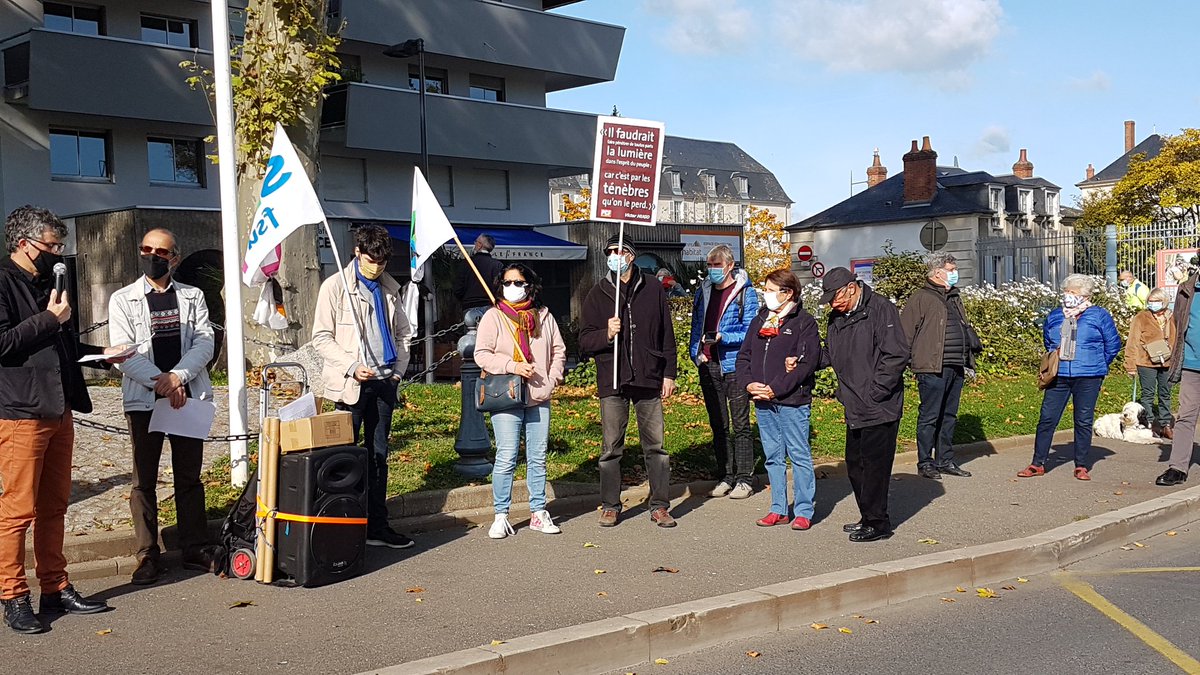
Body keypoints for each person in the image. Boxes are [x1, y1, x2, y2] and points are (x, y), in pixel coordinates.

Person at [0, 206, 126, 634]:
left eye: (60, 246)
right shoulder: (1, 282)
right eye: (51, 246)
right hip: (20, 412)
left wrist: (104, 355)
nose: (57, 254)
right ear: (24, 244)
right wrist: (48, 319)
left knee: (54, 506)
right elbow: (4, 344)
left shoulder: (48, 284)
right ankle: (13, 594)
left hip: (60, 408)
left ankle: (54, 586)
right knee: (17, 510)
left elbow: (62, 344)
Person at [108, 228, 215, 585]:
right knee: (144, 479)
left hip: (185, 396)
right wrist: (162, 381)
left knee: (189, 476)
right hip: (144, 399)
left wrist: (179, 378)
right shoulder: (123, 299)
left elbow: (204, 342)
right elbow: (123, 352)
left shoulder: (193, 296)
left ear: (175, 258)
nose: (152, 256)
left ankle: (194, 546)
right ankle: (147, 554)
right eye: (146, 249)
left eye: (160, 251)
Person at [312, 224, 414, 548]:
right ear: (357, 253)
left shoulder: (389, 288)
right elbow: (320, 337)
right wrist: (352, 366)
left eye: (383, 262)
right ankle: (344, 525)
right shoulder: (335, 287)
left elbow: (403, 334)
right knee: (345, 459)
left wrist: (398, 372)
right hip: (350, 386)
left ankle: (377, 526)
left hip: (385, 382)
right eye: (371, 260)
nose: (377, 267)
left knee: (378, 456)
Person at [579, 235, 678, 528]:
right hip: (613, 379)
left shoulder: (653, 289)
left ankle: (659, 505)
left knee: (656, 447)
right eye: (610, 251)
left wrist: (669, 373)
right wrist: (606, 334)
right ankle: (610, 505)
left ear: (631, 255)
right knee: (611, 448)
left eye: (620, 251)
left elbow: (666, 334)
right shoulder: (597, 293)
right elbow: (584, 341)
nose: (615, 255)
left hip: (648, 377)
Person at [474, 263, 567, 539]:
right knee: (506, 456)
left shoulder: (544, 316)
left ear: (530, 285)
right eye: (507, 282)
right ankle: (501, 514)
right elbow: (482, 354)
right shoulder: (494, 316)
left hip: (538, 395)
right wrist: (512, 365)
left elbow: (558, 350)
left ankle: (538, 511)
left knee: (538, 458)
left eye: (518, 282)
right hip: (506, 396)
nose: (512, 287)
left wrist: (552, 379)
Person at [820, 267, 909, 542]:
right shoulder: (837, 318)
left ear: (850, 287)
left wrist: (876, 390)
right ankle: (867, 515)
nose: (833, 304)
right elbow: (831, 353)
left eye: (835, 298)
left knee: (875, 467)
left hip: (879, 403)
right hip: (853, 401)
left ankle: (878, 522)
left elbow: (896, 354)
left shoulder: (881, 309)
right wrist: (804, 360)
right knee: (855, 464)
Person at [736, 270, 820, 529]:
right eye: (766, 289)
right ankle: (778, 508)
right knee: (773, 456)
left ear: (789, 293)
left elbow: (806, 365)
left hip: (792, 400)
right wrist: (749, 384)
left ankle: (804, 510)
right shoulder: (761, 318)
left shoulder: (804, 322)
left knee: (799, 455)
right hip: (762, 400)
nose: (767, 294)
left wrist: (774, 389)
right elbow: (744, 356)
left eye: (773, 290)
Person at [1018, 274, 1121, 481]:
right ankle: (1037, 463)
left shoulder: (1099, 315)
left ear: (1085, 295)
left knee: (1083, 420)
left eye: (1073, 292)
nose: (1068, 296)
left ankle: (1081, 465)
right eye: (1066, 291)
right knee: (1047, 418)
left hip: (1089, 376)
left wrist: (1099, 364)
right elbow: (1048, 340)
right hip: (1059, 375)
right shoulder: (1056, 315)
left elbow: (1113, 344)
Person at [688, 245, 759, 499]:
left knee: (740, 424)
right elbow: (697, 324)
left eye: (717, 265)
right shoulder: (703, 291)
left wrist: (723, 337)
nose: (712, 270)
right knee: (719, 424)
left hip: (734, 364)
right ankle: (725, 476)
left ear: (730, 266)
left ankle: (744, 478)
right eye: (709, 265)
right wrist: (695, 353)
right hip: (709, 364)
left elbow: (751, 331)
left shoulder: (745, 293)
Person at [900, 252, 977, 480]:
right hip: (931, 367)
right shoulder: (921, 298)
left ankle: (945, 460)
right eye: (951, 270)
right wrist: (907, 363)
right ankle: (925, 462)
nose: (955, 274)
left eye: (954, 269)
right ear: (937, 272)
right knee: (930, 416)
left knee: (949, 416)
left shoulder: (954, 297)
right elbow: (906, 333)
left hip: (956, 365)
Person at [1160, 267, 1200, 486]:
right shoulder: (1186, 289)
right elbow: (1178, 322)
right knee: (1186, 416)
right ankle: (1177, 467)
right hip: (1192, 363)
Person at [1125, 287, 1176, 439]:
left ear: (1164, 301)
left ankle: (1165, 424)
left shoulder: (1172, 317)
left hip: (1167, 362)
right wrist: (1130, 365)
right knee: (1147, 394)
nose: (1152, 304)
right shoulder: (1141, 317)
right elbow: (1132, 342)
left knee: (1165, 393)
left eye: (1156, 301)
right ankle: (1150, 423)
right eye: (1150, 301)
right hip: (1145, 361)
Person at [453, 234, 505, 321]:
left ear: (480, 245)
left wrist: (464, 299)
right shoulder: (497, 265)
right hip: (490, 306)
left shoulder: (466, 264)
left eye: (476, 242)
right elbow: (500, 288)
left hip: (470, 306)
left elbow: (458, 288)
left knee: (470, 334)